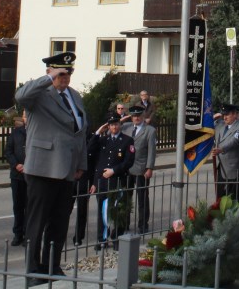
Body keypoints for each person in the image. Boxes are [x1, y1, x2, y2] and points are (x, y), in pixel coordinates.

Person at [15, 52, 87, 283]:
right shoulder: (39, 94)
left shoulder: (74, 96)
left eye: (69, 73)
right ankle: (33, 269)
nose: (65, 78)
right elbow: (20, 96)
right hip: (42, 168)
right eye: (61, 73)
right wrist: (47, 79)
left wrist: (80, 164)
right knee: (37, 221)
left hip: (67, 169)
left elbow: (80, 133)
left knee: (59, 221)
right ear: (51, 72)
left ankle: (52, 265)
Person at [88, 112, 135, 249]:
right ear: (107, 126)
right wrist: (97, 133)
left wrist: (114, 170)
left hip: (117, 180)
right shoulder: (103, 140)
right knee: (102, 212)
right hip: (102, 182)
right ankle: (101, 239)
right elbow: (90, 151)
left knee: (117, 211)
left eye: (116, 124)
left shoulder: (127, 140)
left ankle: (116, 238)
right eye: (111, 125)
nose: (114, 127)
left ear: (120, 124)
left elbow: (129, 161)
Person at [122, 105, 156, 234]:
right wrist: (121, 121)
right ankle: (125, 223)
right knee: (125, 198)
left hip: (141, 169)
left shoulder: (149, 130)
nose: (136, 118)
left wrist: (149, 168)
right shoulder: (126, 128)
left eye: (138, 115)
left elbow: (152, 151)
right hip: (126, 169)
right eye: (134, 116)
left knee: (142, 198)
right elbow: (110, 131)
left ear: (143, 116)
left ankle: (143, 224)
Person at [211, 104, 239, 201]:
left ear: (235, 114)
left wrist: (221, 149)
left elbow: (235, 141)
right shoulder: (220, 124)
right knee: (220, 197)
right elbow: (207, 127)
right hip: (221, 167)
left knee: (233, 198)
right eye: (223, 114)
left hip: (234, 168)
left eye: (227, 114)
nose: (225, 117)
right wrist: (213, 118)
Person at [4, 112, 27, 247]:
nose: (26, 118)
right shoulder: (16, 133)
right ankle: (18, 234)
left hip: (31, 175)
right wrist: (16, 164)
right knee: (18, 205)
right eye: (24, 116)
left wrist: (28, 165)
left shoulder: (37, 131)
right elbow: (8, 151)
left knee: (30, 206)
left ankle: (28, 233)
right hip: (17, 175)